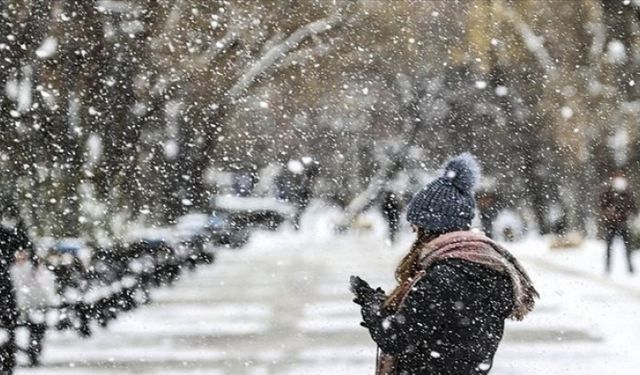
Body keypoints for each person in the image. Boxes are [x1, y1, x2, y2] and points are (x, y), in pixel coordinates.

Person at [350, 153, 538, 375]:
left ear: (431, 227)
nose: (414, 231)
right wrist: (382, 304)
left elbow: (397, 337)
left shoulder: (444, 277)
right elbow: (437, 325)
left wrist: (371, 307)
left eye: (417, 226)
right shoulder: (486, 267)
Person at [599, 171, 636, 274]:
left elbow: (632, 206)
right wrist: (608, 213)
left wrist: (630, 215)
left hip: (623, 223)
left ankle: (630, 268)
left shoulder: (627, 192)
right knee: (609, 247)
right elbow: (602, 204)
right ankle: (608, 267)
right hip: (611, 224)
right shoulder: (608, 190)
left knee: (627, 247)